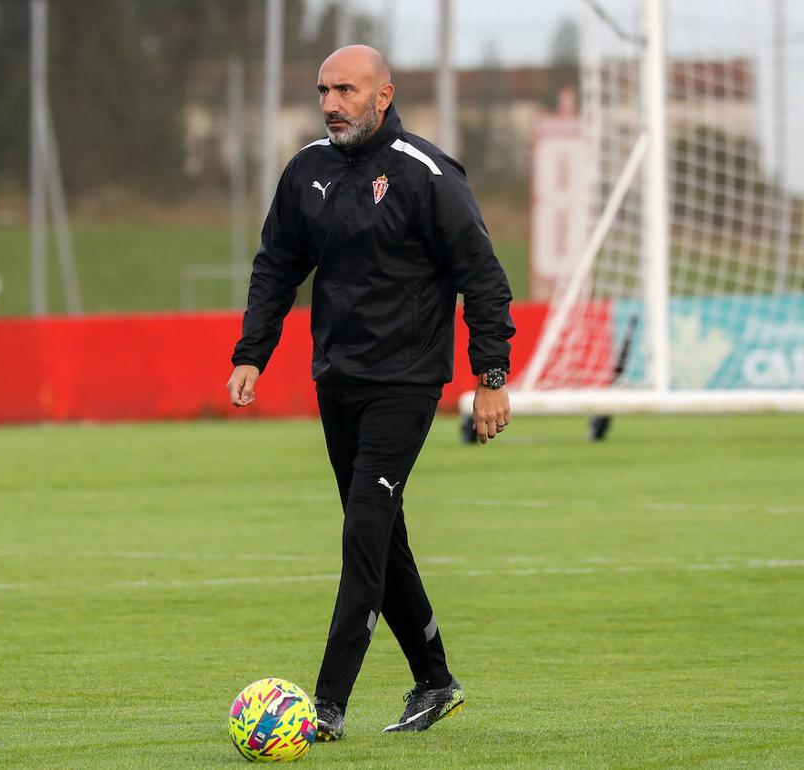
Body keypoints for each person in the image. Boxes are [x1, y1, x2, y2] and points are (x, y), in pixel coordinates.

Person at [225, 45, 514, 738]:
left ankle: (326, 705)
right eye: (323, 90)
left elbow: (482, 274)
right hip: (337, 379)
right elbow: (276, 266)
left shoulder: (426, 172)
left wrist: (491, 376)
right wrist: (252, 354)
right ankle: (435, 680)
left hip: (406, 381)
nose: (330, 103)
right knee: (383, 537)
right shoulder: (308, 172)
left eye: (346, 90)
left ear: (382, 96)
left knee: (362, 532)